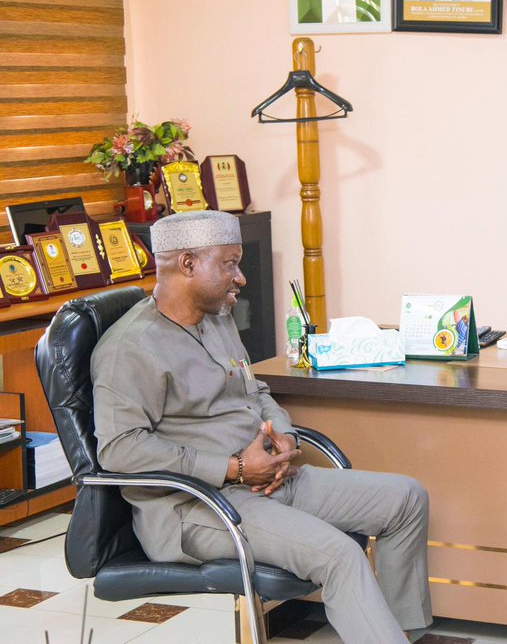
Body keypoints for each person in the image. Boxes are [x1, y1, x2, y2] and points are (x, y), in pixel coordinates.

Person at [92, 211, 430, 644]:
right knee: (340, 555)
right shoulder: (131, 348)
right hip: (199, 507)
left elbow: (257, 390)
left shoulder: (217, 318)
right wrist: (233, 467)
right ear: (188, 264)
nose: (241, 278)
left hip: (268, 481)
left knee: (404, 498)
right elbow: (119, 449)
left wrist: (283, 434)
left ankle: (398, 634)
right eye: (230, 264)